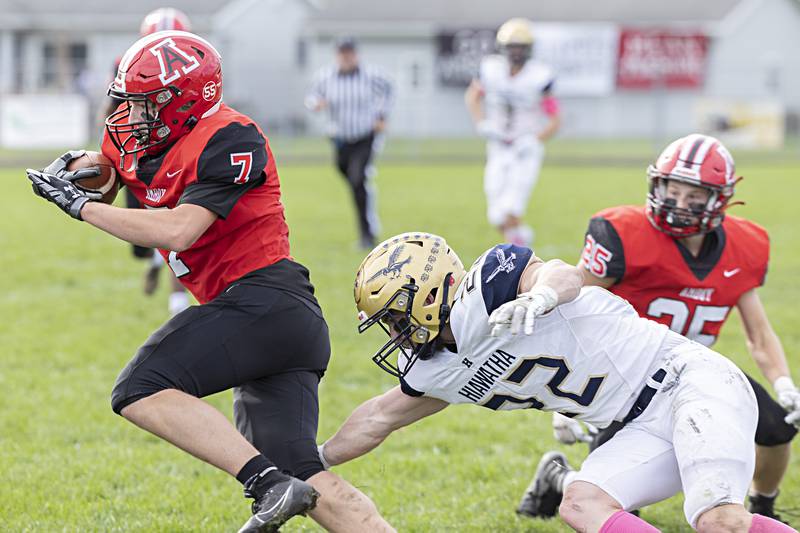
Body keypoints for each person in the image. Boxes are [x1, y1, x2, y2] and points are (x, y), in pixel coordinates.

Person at [26, 30, 393, 533]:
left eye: (144, 105)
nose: (130, 117)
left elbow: (179, 230)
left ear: (182, 103)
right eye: (126, 103)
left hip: (264, 302)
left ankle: (266, 484)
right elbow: (113, 170)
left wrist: (81, 207)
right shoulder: (141, 132)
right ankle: (290, 486)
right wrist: (77, 169)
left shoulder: (230, 136)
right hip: (272, 319)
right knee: (308, 476)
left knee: (141, 387)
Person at [315, 231, 797, 533]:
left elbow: (562, 274)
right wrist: (308, 461)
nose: (395, 332)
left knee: (719, 521)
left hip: (685, 379)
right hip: (638, 425)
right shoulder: (434, 367)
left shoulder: (488, 288)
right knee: (581, 502)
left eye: (396, 316)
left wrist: (541, 297)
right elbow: (379, 417)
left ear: (431, 291)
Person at [518, 134, 800, 523]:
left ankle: (764, 504)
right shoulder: (624, 234)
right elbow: (575, 310)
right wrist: (566, 400)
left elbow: (758, 331)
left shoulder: (745, 245)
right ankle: (558, 476)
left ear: (719, 199)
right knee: (616, 504)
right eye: (672, 190)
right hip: (627, 378)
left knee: (778, 428)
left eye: (694, 197)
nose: (679, 205)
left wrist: (784, 383)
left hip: (701, 373)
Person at [99, 7, 193, 315]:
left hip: (180, 151)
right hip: (140, 152)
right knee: (148, 229)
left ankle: (177, 304)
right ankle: (157, 259)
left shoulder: (193, 66)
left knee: (180, 226)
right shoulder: (127, 64)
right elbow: (110, 110)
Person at [464, 18, 560, 248]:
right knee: (495, 215)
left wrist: (533, 139)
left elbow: (555, 119)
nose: (516, 53)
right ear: (503, 48)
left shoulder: (539, 75)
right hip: (498, 146)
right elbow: (472, 97)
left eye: (521, 47)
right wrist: (481, 123)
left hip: (525, 149)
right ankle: (523, 240)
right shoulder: (491, 69)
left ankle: (517, 254)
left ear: (529, 49)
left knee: (511, 208)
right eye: (512, 47)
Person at [305, 36, 393, 249]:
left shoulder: (371, 75)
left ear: (356, 54)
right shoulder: (326, 77)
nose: (346, 57)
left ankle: (367, 234)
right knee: (352, 179)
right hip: (340, 139)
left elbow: (389, 89)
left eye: (349, 53)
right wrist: (316, 104)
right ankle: (365, 199)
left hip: (364, 136)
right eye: (342, 53)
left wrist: (382, 116)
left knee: (357, 179)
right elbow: (311, 97)